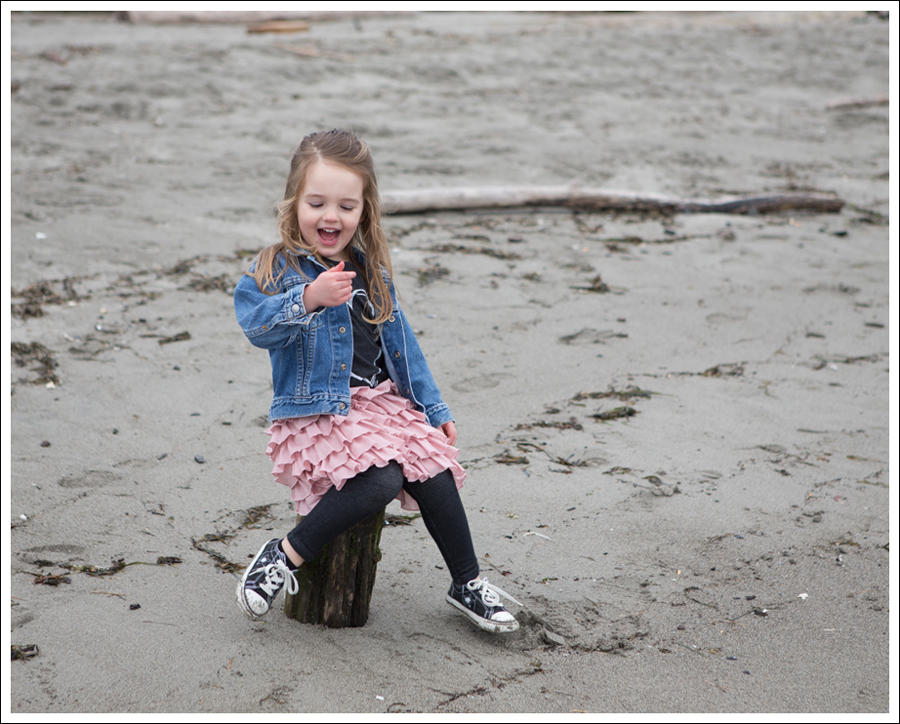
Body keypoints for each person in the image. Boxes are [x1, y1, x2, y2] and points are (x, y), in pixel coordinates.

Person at [233, 129, 520, 633]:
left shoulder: (371, 271)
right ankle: (282, 558)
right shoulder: (277, 268)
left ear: (364, 211)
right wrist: (309, 297)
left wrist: (434, 410)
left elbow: (404, 350)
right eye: (316, 202)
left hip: (381, 408)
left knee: (433, 468)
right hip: (321, 414)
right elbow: (257, 327)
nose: (330, 217)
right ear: (293, 202)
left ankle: (467, 582)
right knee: (383, 478)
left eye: (346, 206)